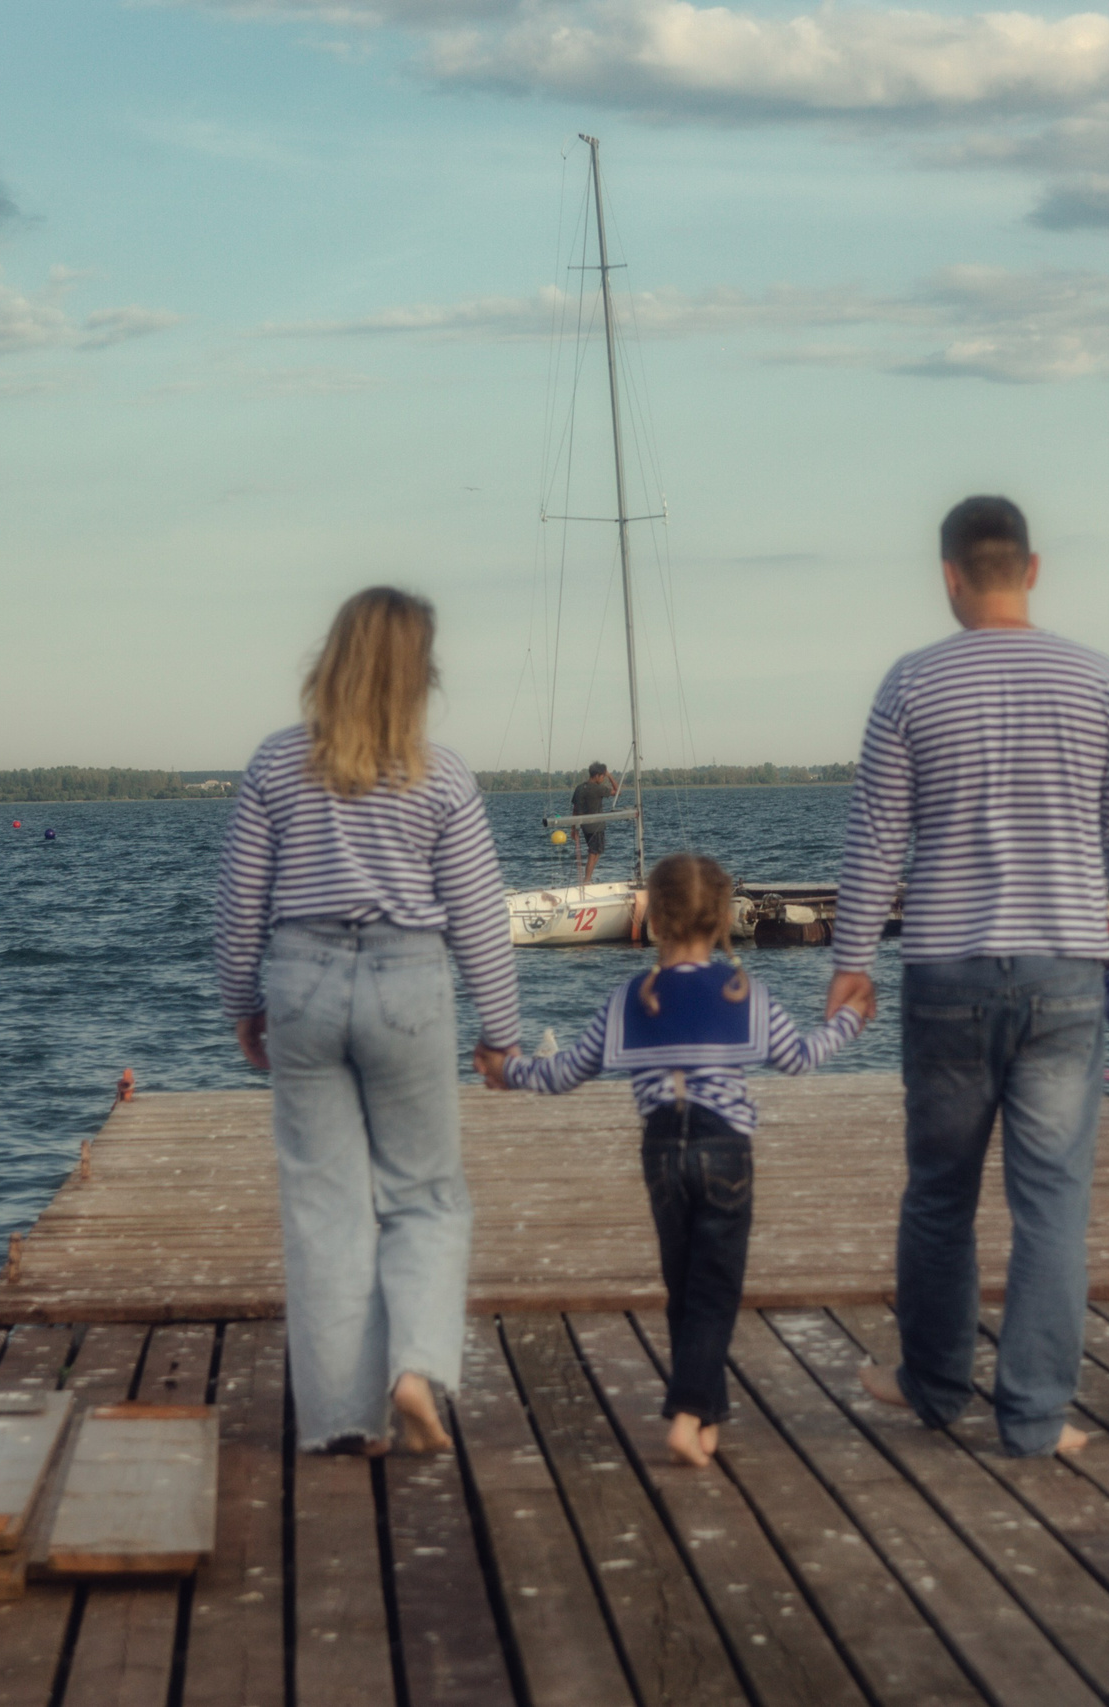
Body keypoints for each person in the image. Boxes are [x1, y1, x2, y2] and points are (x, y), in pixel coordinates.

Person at [833, 495, 1109, 1458]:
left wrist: (853, 960)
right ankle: (1033, 1417)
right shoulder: (1101, 682)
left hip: (946, 972)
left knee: (940, 1190)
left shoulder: (910, 686)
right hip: (1065, 971)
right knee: (1051, 1200)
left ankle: (935, 1386)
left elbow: (874, 839)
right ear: (1034, 569)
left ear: (948, 575)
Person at [213, 586, 519, 1456]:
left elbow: (239, 906)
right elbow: (478, 915)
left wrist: (244, 1003)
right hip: (410, 983)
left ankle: (345, 1418)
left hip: (302, 980)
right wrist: (499, 1030)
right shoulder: (444, 776)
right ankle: (416, 1367)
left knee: (324, 1205)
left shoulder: (276, 766)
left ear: (333, 661)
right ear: (420, 674)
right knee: (424, 1192)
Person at [479, 853, 862, 1467]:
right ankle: (688, 1413)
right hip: (725, 1149)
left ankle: (705, 1415)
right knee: (716, 1287)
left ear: (652, 920)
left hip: (662, 1150)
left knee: (685, 1285)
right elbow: (800, 1058)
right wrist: (847, 1021)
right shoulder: (743, 990)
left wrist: (509, 1069)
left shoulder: (633, 998)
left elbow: (565, 1072)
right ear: (718, 923)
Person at [571, 761, 622, 885]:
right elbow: (618, 791)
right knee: (594, 853)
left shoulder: (579, 788)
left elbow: (575, 809)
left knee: (595, 851)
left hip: (584, 825)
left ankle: (587, 879)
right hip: (596, 826)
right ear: (598, 775)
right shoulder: (598, 788)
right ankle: (587, 880)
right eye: (603, 776)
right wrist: (610, 776)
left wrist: (574, 828)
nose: (603, 779)